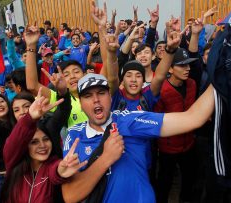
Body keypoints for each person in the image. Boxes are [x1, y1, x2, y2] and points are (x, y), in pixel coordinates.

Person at [62, 73, 215, 203]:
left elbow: (193, 118)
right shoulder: (74, 135)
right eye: (88, 96)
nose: (96, 100)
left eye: (101, 93)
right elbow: (70, 195)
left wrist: (218, 78)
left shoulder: (129, 120)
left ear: (110, 96)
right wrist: (106, 158)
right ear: (81, 104)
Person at [0, 88, 87, 203]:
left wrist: (60, 171)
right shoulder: (15, 162)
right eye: (34, 142)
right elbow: (12, 147)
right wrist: (29, 118)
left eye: (46, 139)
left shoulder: (51, 162)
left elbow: (55, 170)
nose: (42, 145)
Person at [154, 48, 198, 203]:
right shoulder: (162, 91)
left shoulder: (192, 84)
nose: (188, 69)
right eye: (182, 65)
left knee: (189, 179)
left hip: (189, 144)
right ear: (170, 68)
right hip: (169, 148)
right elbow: (157, 120)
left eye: (189, 65)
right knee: (165, 182)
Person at [25, 24, 88, 127]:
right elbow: (32, 85)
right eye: (66, 74)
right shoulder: (59, 99)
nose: (72, 76)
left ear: (84, 74)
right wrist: (31, 46)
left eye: (76, 72)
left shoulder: (96, 92)